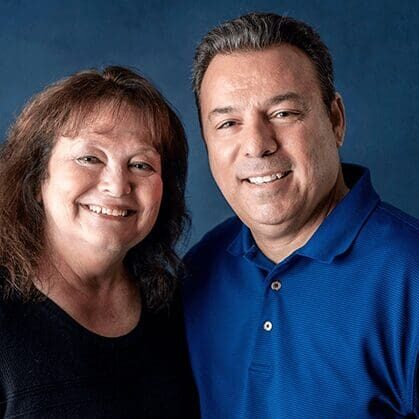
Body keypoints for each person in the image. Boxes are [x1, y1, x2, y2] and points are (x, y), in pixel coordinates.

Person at [183, 12, 419, 418]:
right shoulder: (199, 271)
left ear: (335, 120)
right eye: (228, 123)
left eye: (283, 113)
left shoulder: (410, 276)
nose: (256, 145)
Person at [0, 66, 199, 418]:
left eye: (141, 165)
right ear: (36, 180)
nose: (117, 185)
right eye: (90, 158)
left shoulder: (176, 309)